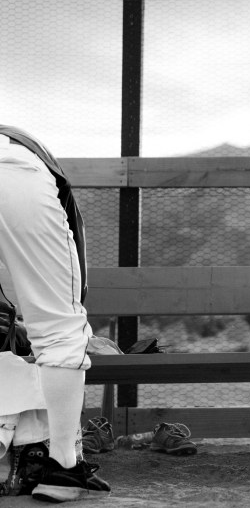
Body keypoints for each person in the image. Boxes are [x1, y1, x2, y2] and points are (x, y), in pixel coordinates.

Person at [0, 125, 110, 502]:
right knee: (60, 329)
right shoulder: (33, 162)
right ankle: (64, 465)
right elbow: (69, 300)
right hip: (13, 170)